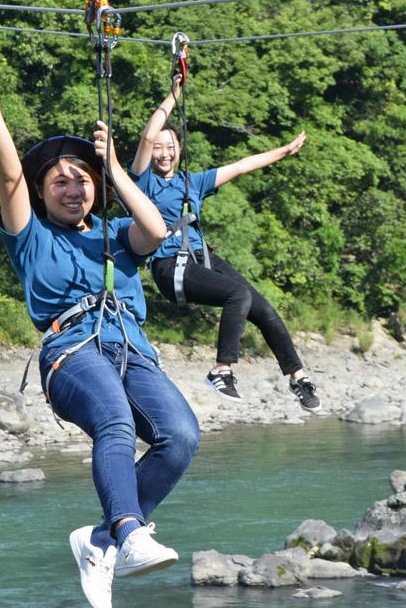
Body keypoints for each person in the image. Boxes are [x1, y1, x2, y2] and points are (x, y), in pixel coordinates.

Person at [0, 64, 200, 608]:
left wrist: (111, 169)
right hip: (73, 352)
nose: (72, 187)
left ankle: (101, 541)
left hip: (132, 350)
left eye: (82, 179)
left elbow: (155, 230)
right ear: (42, 192)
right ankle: (128, 531)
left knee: (180, 436)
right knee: (116, 421)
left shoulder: (114, 236)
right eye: (59, 180)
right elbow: (9, 179)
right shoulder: (30, 238)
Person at [130, 77, 321, 410]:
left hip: (200, 258)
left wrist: (284, 151)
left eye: (170, 146)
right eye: (159, 148)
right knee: (238, 294)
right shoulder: (142, 180)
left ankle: (298, 377)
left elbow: (242, 166)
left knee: (263, 309)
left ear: (180, 150)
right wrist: (175, 94)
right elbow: (148, 136)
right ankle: (221, 369)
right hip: (168, 264)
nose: (163, 153)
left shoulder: (194, 181)